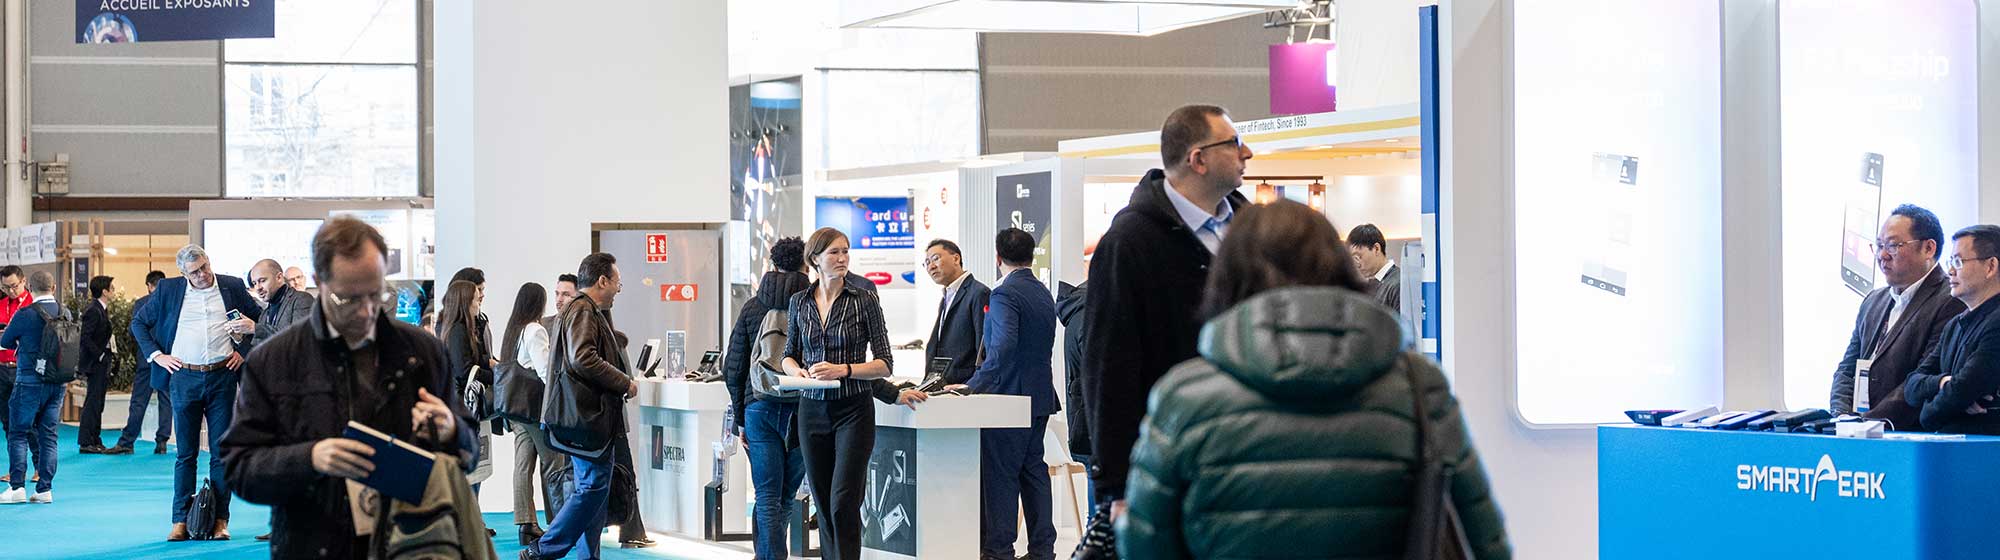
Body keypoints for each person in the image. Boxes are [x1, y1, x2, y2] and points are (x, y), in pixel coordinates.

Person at [1116, 200, 1510, 559]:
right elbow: (1482, 536)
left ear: (1228, 275)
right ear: (1337, 265)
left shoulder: (1184, 397)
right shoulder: (1418, 387)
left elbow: (1144, 546)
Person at [220, 216, 479, 558]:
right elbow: (239, 467)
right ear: (318, 283)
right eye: (349, 299)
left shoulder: (421, 352)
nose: (366, 311)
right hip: (314, 544)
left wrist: (450, 430)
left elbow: (470, 451)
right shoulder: (275, 360)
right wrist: (310, 457)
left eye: (376, 294)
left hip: (415, 544)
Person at [1083, 104, 1251, 519]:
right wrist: (1116, 486)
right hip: (1173, 459)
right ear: (1198, 159)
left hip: (1252, 451)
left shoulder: (1251, 231)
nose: (1247, 154)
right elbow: (1109, 365)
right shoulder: (1131, 242)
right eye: (1234, 144)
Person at [781, 227, 927, 560]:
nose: (843, 258)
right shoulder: (799, 302)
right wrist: (797, 371)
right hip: (812, 410)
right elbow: (788, 353)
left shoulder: (864, 300)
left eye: (846, 251)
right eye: (834, 252)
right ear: (815, 259)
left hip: (854, 411)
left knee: (843, 502)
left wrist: (843, 369)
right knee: (822, 503)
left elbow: (885, 363)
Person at [131, 244, 261, 541]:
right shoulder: (168, 289)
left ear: (209, 262)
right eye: (194, 271)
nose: (202, 275)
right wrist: (156, 356)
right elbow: (139, 322)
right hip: (183, 378)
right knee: (185, 454)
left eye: (204, 267)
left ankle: (220, 520)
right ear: (183, 273)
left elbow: (261, 323)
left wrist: (242, 350)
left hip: (222, 377)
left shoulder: (232, 286)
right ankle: (180, 520)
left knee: (220, 452)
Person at [528, 252, 639, 560]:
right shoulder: (583, 311)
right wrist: (624, 382)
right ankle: (544, 548)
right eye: (617, 282)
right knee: (591, 489)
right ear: (602, 280)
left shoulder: (582, 310)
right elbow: (583, 358)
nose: (618, 289)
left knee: (595, 490)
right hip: (586, 419)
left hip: (586, 419)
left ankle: (587, 556)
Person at [966, 228, 1060, 560]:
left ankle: (998, 550)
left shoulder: (1005, 294)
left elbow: (1003, 348)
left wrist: (973, 386)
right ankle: (1042, 549)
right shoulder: (1042, 292)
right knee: (1033, 471)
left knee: (1001, 476)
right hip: (1038, 396)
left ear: (997, 257)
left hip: (1008, 399)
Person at [1829, 205, 1965, 430]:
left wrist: (1868, 424)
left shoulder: (1951, 300)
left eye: (1893, 246)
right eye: (1880, 245)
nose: (1882, 255)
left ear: (1929, 248)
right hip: (1858, 433)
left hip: (1907, 436)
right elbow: (1847, 368)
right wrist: (1842, 417)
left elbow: (1924, 375)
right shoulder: (1873, 300)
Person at [722, 237, 811, 559]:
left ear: (772, 265)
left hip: (760, 408)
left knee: (767, 495)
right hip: (803, 408)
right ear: (807, 265)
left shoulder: (753, 306)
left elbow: (733, 367)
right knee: (785, 497)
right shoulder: (814, 304)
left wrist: (741, 419)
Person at [1903, 225, 2000, 435]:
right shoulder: (1954, 325)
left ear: (1991, 266)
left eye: (1958, 261)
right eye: (1950, 262)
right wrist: (1942, 382)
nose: (1950, 271)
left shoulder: (1996, 323)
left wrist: (1929, 409)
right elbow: (1911, 386)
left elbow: (1959, 392)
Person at [0, 272, 69, 504]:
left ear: (29, 286)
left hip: (29, 380)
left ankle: (17, 487)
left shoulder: (25, 314)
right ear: (54, 286)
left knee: (18, 433)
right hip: (57, 382)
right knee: (49, 435)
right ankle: (44, 490)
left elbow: (5, 341)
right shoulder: (65, 311)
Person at [501, 282, 560, 546]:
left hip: (515, 408)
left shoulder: (513, 331)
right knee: (553, 462)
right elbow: (545, 371)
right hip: (533, 408)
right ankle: (558, 521)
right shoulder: (535, 330)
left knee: (523, 465)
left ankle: (526, 523)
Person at [438, 280, 497, 496]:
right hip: (465, 407)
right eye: (476, 295)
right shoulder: (457, 331)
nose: (480, 298)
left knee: (477, 469)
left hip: (470, 408)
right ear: (465, 302)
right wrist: (496, 374)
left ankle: (473, 522)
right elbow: (464, 370)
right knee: (470, 470)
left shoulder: (470, 328)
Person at [109, 270, 172, 455]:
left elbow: (134, 330)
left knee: (139, 401)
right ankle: (162, 442)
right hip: (167, 358)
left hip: (146, 358)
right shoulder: (172, 303)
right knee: (165, 400)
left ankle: (127, 442)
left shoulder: (142, 303)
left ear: (149, 285)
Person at [924, 239, 990, 386]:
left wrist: (972, 385)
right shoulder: (947, 296)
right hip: (944, 387)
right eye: (927, 263)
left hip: (965, 389)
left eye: (935, 259)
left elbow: (983, 350)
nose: (931, 267)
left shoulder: (979, 293)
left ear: (956, 258)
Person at [1055, 280, 1091, 503]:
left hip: (1082, 421)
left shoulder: (1077, 312)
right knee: (1101, 515)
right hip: (1094, 425)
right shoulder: (1091, 318)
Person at [77, 276, 117, 454]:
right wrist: (100, 355)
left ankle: (94, 439)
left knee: (98, 402)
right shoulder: (93, 310)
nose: (114, 291)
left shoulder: (101, 309)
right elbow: (85, 337)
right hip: (95, 363)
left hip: (101, 362)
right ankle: (86, 441)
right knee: (93, 402)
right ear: (104, 291)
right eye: (112, 288)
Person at [248, 259, 317, 348]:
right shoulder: (264, 314)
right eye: (254, 283)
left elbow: (299, 339)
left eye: (262, 280)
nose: (258, 288)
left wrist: (255, 328)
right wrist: (239, 339)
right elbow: (257, 352)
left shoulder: (301, 299)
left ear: (279, 278)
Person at [0, 266, 31, 439]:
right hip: (2, 368)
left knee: (29, 422)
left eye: (14, 286)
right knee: (7, 422)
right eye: (5, 288)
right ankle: (16, 465)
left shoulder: (32, 305)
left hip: (24, 369)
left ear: (23, 281)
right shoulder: (1, 305)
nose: (11, 291)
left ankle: (37, 464)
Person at [1347, 223, 1401, 311]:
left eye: (1358, 257)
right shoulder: (1371, 284)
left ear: (1376, 249)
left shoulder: (1397, 284)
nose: (1357, 264)